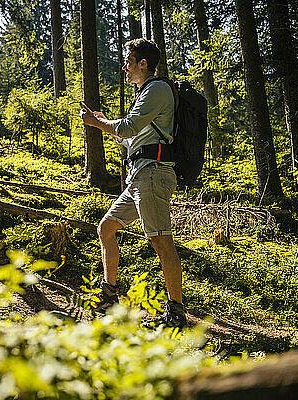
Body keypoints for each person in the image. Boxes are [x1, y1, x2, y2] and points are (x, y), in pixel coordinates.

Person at [79, 38, 186, 329]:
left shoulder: (157, 89)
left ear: (143, 64)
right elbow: (128, 136)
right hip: (139, 176)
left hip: (153, 172)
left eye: (128, 61)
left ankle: (176, 311)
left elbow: (127, 127)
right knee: (106, 227)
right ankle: (110, 294)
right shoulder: (144, 93)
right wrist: (105, 122)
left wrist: (96, 123)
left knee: (161, 241)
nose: (124, 67)